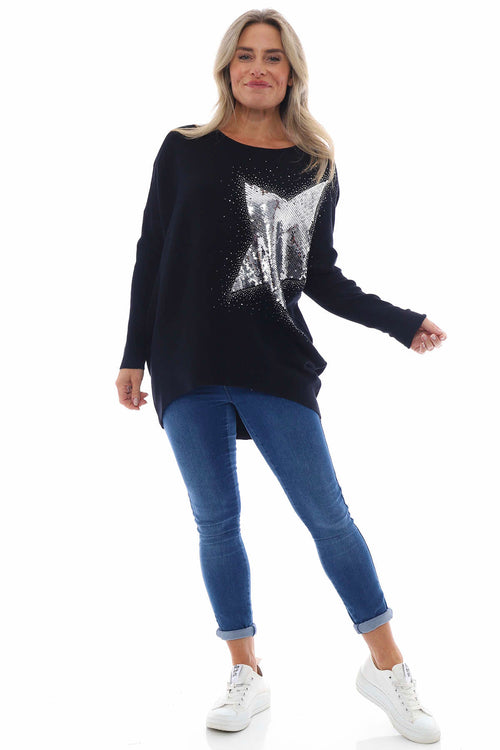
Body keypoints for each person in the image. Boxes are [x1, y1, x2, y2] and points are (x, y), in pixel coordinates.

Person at [115, 9, 446, 743]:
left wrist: (400, 321)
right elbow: (151, 252)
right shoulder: (183, 149)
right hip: (186, 362)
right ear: (226, 68)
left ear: (291, 71)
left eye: (272, 56)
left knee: (329, 517)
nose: (257, 68)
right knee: (216, 520)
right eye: (245, 56)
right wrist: (133, 355)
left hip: (274, 362)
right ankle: (246, 672)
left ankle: (387, 668)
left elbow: (320, 276)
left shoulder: (312, 165)